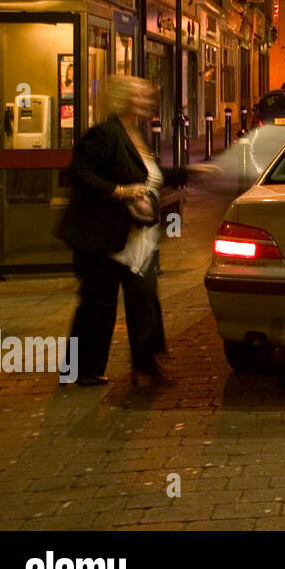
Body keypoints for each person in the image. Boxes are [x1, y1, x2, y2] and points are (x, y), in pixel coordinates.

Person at [57, 75, 216, 386]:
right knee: (96, 304)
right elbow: (79, 173)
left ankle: (145, 365)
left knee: (144, 300)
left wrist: (191, 171)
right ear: (123, 101)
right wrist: (119, 191)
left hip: (137, 237)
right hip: (103, 236)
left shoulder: (136, 134)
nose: (147, 102)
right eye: (140, 97)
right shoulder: (104, 134)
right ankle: (79, 370)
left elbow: (151, 176)